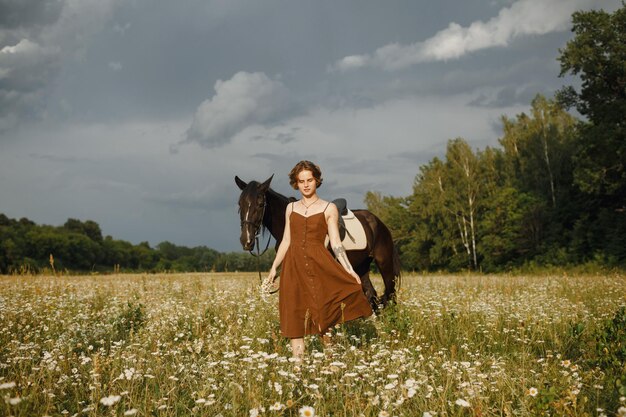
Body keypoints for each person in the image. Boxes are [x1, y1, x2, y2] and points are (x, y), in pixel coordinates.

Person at [264, 160, 373, 360]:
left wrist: (349, 270)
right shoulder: (290, 208)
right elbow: (287, 240)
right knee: (294, 317)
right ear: (295, 183)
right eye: (301, 181)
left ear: (317, 181)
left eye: (309, 180)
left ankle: (331, 364)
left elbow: (337, 243)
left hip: (320, 265)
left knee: (324, 316)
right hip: (293, 268)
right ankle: (298, 369)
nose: (305, 185)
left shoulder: (328, 208)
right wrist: (273, 269)